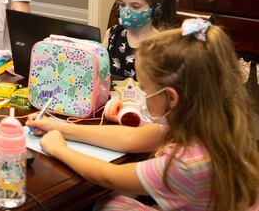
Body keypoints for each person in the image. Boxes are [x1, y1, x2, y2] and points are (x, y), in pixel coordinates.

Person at [27, 18, 259, 210]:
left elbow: (108, 176)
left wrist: (59, 149)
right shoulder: (209, 124)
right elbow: (130, 139)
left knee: (103, 204)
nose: (141, 94)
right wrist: (59, 127)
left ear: (171, 97)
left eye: (145, 89)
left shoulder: (186, 163)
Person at [103, 0, 176, 80]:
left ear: (156, 10)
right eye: (122, 4)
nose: (126, 11)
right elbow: (100, 70)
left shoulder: (162, 43)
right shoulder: (112, 34)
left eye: (135, 6)